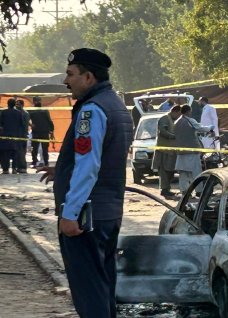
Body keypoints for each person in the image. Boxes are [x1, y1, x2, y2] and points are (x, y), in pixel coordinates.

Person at [37, 48, 133, 318]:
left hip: (86, 217)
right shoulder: (114, 104)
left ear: (89, 77)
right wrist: (64, 168)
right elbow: (103, 157)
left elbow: (89, 166)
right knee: (103, 288)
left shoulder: (91, 110)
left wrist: (70, 214)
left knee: (89, 294)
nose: (66, 82)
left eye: (70, 74)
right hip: (107, 212)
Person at [174, 105, 213, 195]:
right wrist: (210, 128)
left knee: (183, 172)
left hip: (181, 151)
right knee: (195, 171)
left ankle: (184, 191)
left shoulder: (177, 122)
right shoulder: (190, 120)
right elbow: (200, 128)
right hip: (192, 150)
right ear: (188, 111)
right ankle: (199, 191)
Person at [152, 105, 181, 199]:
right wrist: (173, 136)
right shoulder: (164, 119)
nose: (178, 116)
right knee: (164, 171)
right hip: (164, 150)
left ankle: (167, 189)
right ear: (175, 112)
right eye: (178, 114)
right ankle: (164, 190)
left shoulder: (173, 120)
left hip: (172, 150)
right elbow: (162, 131)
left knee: (170, 171)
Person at [29, 96, 55, 167]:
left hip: (44, 132)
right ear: (34, 102)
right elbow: (26, 118)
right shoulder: (31, 110)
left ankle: (46, 162)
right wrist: (31, 124)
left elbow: (49, 121)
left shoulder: (44, 110)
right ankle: (35, 162)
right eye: (37, 101)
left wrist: (51, 130)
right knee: (35, 149)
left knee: (44, 149)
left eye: (39, 100)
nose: (39, 102)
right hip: (36, 132)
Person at [0, 98, 24, 174]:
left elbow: (1, 124)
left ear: (7, 104)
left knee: (5, 153)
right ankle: (14, 169)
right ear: (14, 104)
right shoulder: (19, 113)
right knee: (15, 153)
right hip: (15, 136)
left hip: (5, 136)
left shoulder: (4, 112)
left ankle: (5, 169)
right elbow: (22, 124)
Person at [15, 99, 30, 173]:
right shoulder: (26, 113)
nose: (17, 106)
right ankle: (20, 167)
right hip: (23, 135)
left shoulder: (21, 113)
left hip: (20, 135)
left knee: (20, 152)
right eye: (16, 104)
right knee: (22, 152)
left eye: (18, 104)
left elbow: (23, 125)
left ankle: (22, 167)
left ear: (22, 105)